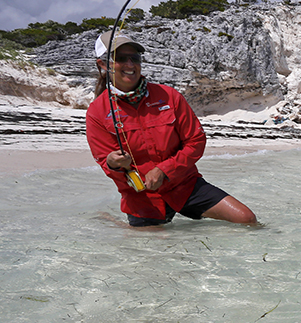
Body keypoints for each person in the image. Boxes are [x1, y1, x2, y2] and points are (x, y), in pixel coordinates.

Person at [85, 30, 257, 227]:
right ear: (103, 64)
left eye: (135, 58)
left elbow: (196, 141)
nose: (130, 65)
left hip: (185, 185)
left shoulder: (169, 96)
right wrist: (113, 163)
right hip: (142, 199)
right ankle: (114, 222)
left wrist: (164, 170)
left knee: (247, 220)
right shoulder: (96, 112)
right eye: (121, 58)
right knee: (159, 245)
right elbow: (105, 162)